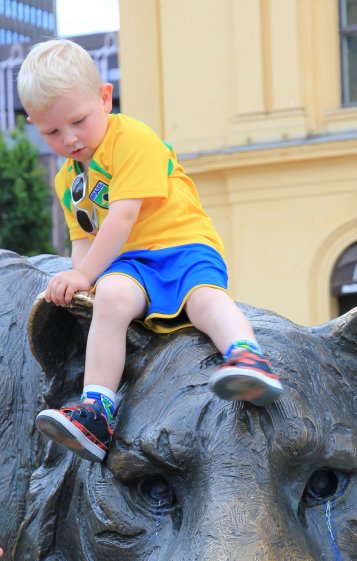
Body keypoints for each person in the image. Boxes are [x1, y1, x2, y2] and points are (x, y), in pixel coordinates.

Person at [17, 39, 282, 463]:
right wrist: (80, 285)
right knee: (111, 297)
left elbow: (121, 219)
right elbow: (84, 236)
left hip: (181, 245)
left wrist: (83, 275)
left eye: (78, 122)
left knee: (204, 300)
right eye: (51, 131)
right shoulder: (68, 181)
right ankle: (97, 410)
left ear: (105, 98)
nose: (69, 139)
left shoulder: (131, 140)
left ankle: (247, 357)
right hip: (132, 264)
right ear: (34, 125)